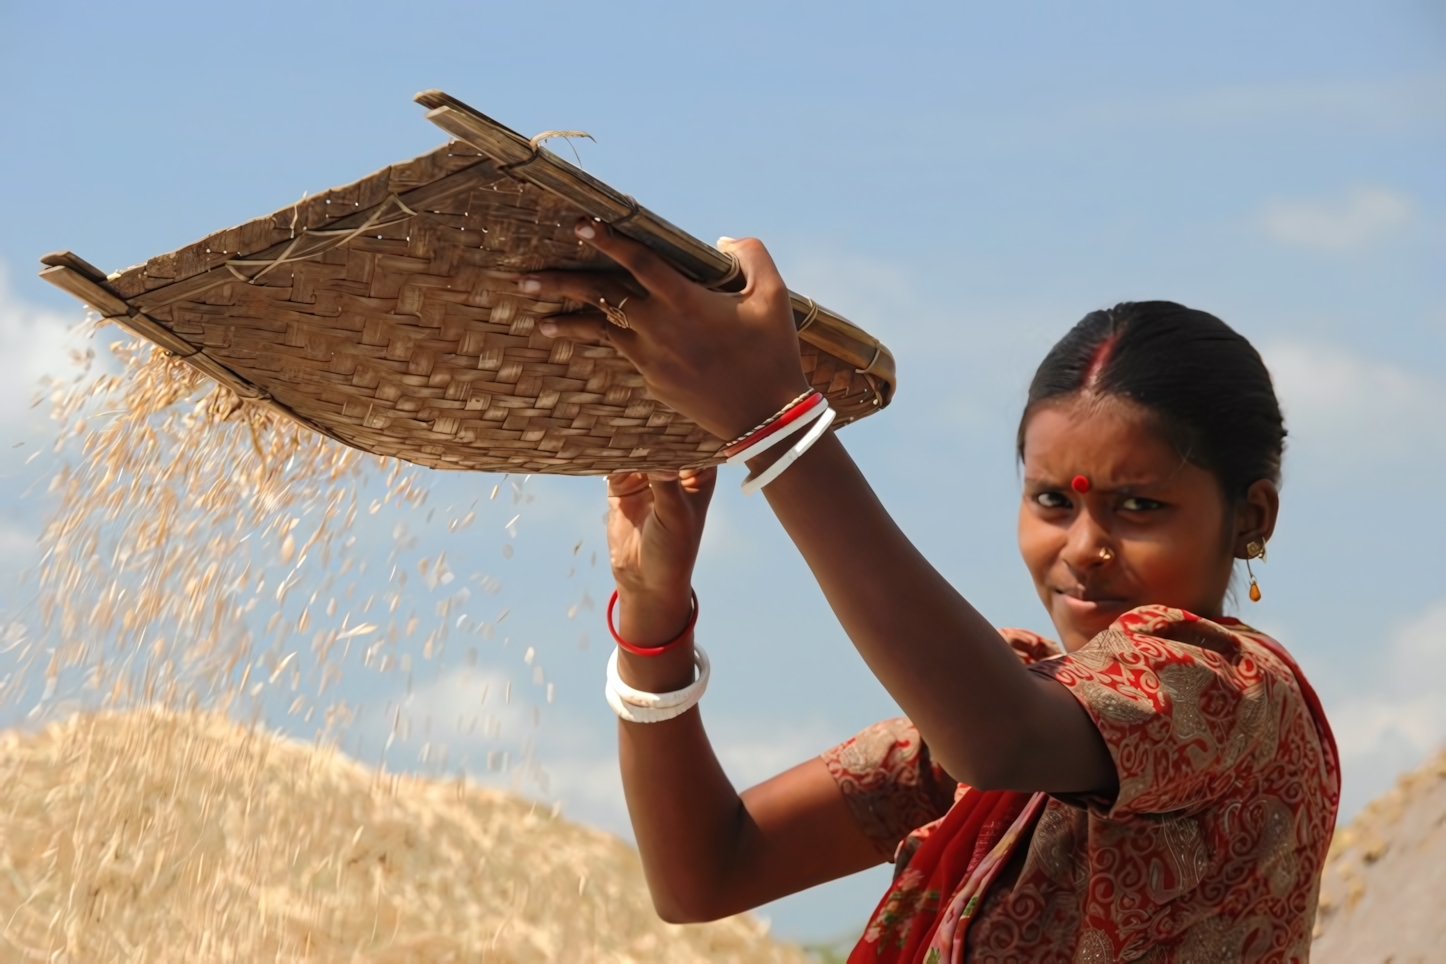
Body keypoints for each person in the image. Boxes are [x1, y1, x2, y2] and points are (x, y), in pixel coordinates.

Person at [522, 221, 1339, 963]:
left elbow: (998, 734)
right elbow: (704, 872)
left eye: (1141, 508)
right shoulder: (996, 726)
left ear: (1250, 516)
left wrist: (771, 420)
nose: (1084, 549)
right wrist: (653, 612)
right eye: (1053, 501)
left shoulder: (1235, 697)